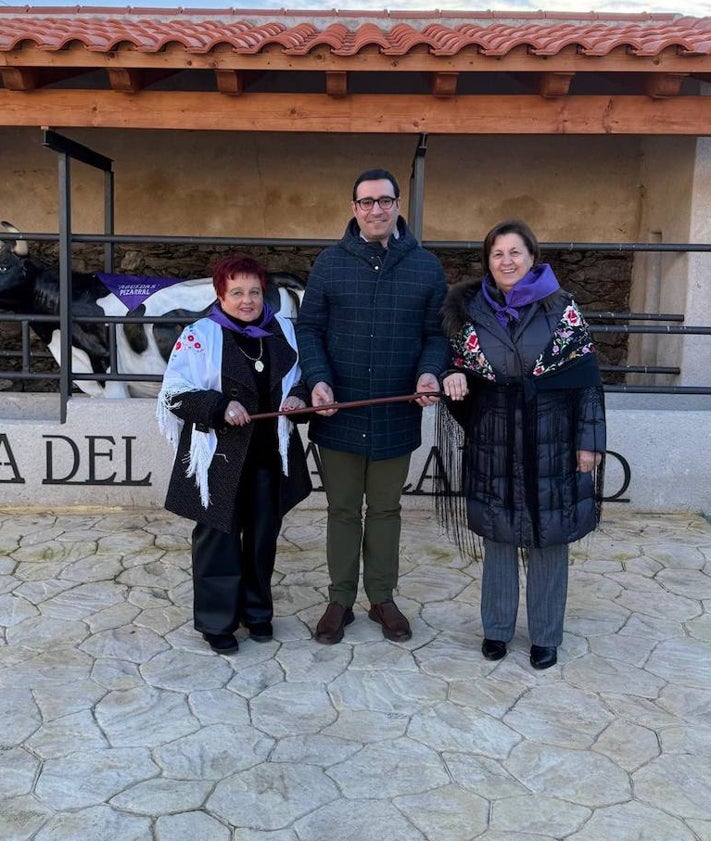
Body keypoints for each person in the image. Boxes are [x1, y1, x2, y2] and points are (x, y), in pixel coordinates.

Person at [440, 219, 606, 670]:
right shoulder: (470, 311)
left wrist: (589, 443)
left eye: (515, 252)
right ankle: (496, 630)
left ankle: (546, 635)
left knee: (548, 536)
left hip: (552, 434)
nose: (506, 261)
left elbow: (588, 382)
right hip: (494, 435)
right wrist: (451, 375)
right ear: (487, 262)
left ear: (533, 257)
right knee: (499, 534)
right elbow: (457, 364)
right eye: (497, 254)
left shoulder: (562, 309)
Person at [296, 167, 449, 645]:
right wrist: (318, 381)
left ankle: (381, 597)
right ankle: (340, 599)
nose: (376, 209)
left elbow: (437, 335)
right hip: (337, 410)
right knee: (342, 510)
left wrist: (429, 372)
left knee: (385, 510)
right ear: (354, 208)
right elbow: (309, 330)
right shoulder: (329, 263)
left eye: (384, 200)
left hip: (394, 412)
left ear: (398, 204)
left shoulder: (426, 267)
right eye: (366, 202)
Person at [157, 254, 311, 654]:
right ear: (220, 295)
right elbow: (173, 392)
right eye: (237, 292)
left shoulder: (282, 333)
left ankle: (257, 612)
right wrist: (218, 406)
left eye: (255, 292)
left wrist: (298, 397)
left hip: (268, 458)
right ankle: (217, 622)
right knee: (218, 542)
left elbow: (304, 377)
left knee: (262, 540)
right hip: (219, 462)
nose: (247, 301)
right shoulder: (198, 335)